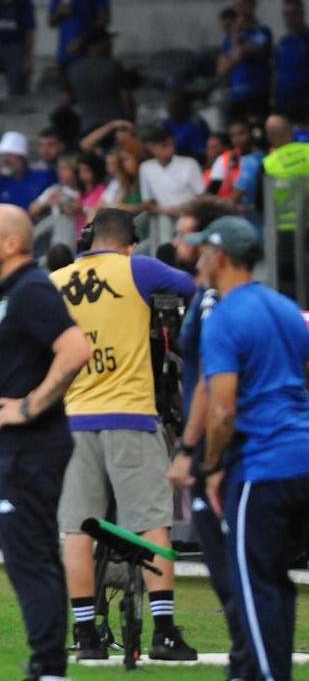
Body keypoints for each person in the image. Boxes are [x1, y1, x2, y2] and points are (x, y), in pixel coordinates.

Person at [48, 209, 198, 661]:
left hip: (73, 419)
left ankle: (87, 634)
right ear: (129, 240)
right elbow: (192, 287)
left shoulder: (56, 280)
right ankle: (164, 631)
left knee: (76, 528)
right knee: (151, 523)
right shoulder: (139, 268)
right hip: (130, 413)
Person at [0, 204, 91, 681]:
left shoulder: (33, 289)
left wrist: (30, 406)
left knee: (30, 560)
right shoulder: (11, 293)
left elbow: (76, 349)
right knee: (29, 559)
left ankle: (48, 667)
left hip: (29, 450)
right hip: (18, 452)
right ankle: (48, 664)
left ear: (13, 244)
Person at [195, 216, 309, 681]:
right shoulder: (284, 307)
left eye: (203, 251)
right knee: (277, 585)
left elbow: (221, 410)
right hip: (302, 455)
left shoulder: (223, 317)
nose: (198, 260)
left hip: (262, 467)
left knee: (255, 587)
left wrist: (211, 464)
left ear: (219, 257)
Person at [167, 196, 252, 680]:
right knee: (230, 569)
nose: (182, 243)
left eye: (189, 235)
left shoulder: (216, 302)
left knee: (232, 569)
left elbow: (212, 385)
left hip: (220, 451)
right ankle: (247, 660)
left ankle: (248, 661)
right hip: (219, 447)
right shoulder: (212, 297)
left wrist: (198, 454)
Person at [261, 114, 309, 299]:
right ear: (291, 132)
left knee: (288, 287)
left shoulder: (268, 163)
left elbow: (260, 201)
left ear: (270, 138)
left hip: (284, 234)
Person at [140, 125, 207, 245]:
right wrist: (164, 210)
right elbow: (147, 204)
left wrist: (181, 209)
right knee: (162, 224)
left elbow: (202, 197)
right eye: (164, 146)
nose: (170, 149)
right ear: (152, 148)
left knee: (187, 224)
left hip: (189, 213)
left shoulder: (189, 164)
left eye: (171, 144)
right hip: (163, 215)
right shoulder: (146, 168)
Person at [217, 0, 273, 121]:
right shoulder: (229, 38)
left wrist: (235, 55)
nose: (239, 9)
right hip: (235, 96)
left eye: (243, 4)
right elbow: (222, 69)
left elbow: (247, 52)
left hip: (256, 94)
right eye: (236, 5)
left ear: (253, 5)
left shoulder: (261, 32)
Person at [64, 26, 134, 133]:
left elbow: (66, 101)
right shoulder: (113, 66)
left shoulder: (73, 68)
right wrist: (130, 121)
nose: (111, 44)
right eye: (107, 41)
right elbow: (126, 97)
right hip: (115, 125)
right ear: (98, 44)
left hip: (88, 126)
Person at [0, 132, 57, 211]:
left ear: (23, 157)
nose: (5, 160)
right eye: (2, 155)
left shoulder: (44, 176)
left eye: (10, 155)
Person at [274, 0, 309, 121]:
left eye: (293, 13)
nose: (290, 18)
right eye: (286, 14)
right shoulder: (283, 42)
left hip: (304, 104)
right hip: (284, 103)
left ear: (302, 13)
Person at [162, 91, 210, 162]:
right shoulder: (167, 123)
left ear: (185, 106)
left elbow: (200, 153)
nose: (171, 109)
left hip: (191, 161)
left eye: (175, 105)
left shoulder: (196, 124)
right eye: (169, 105)